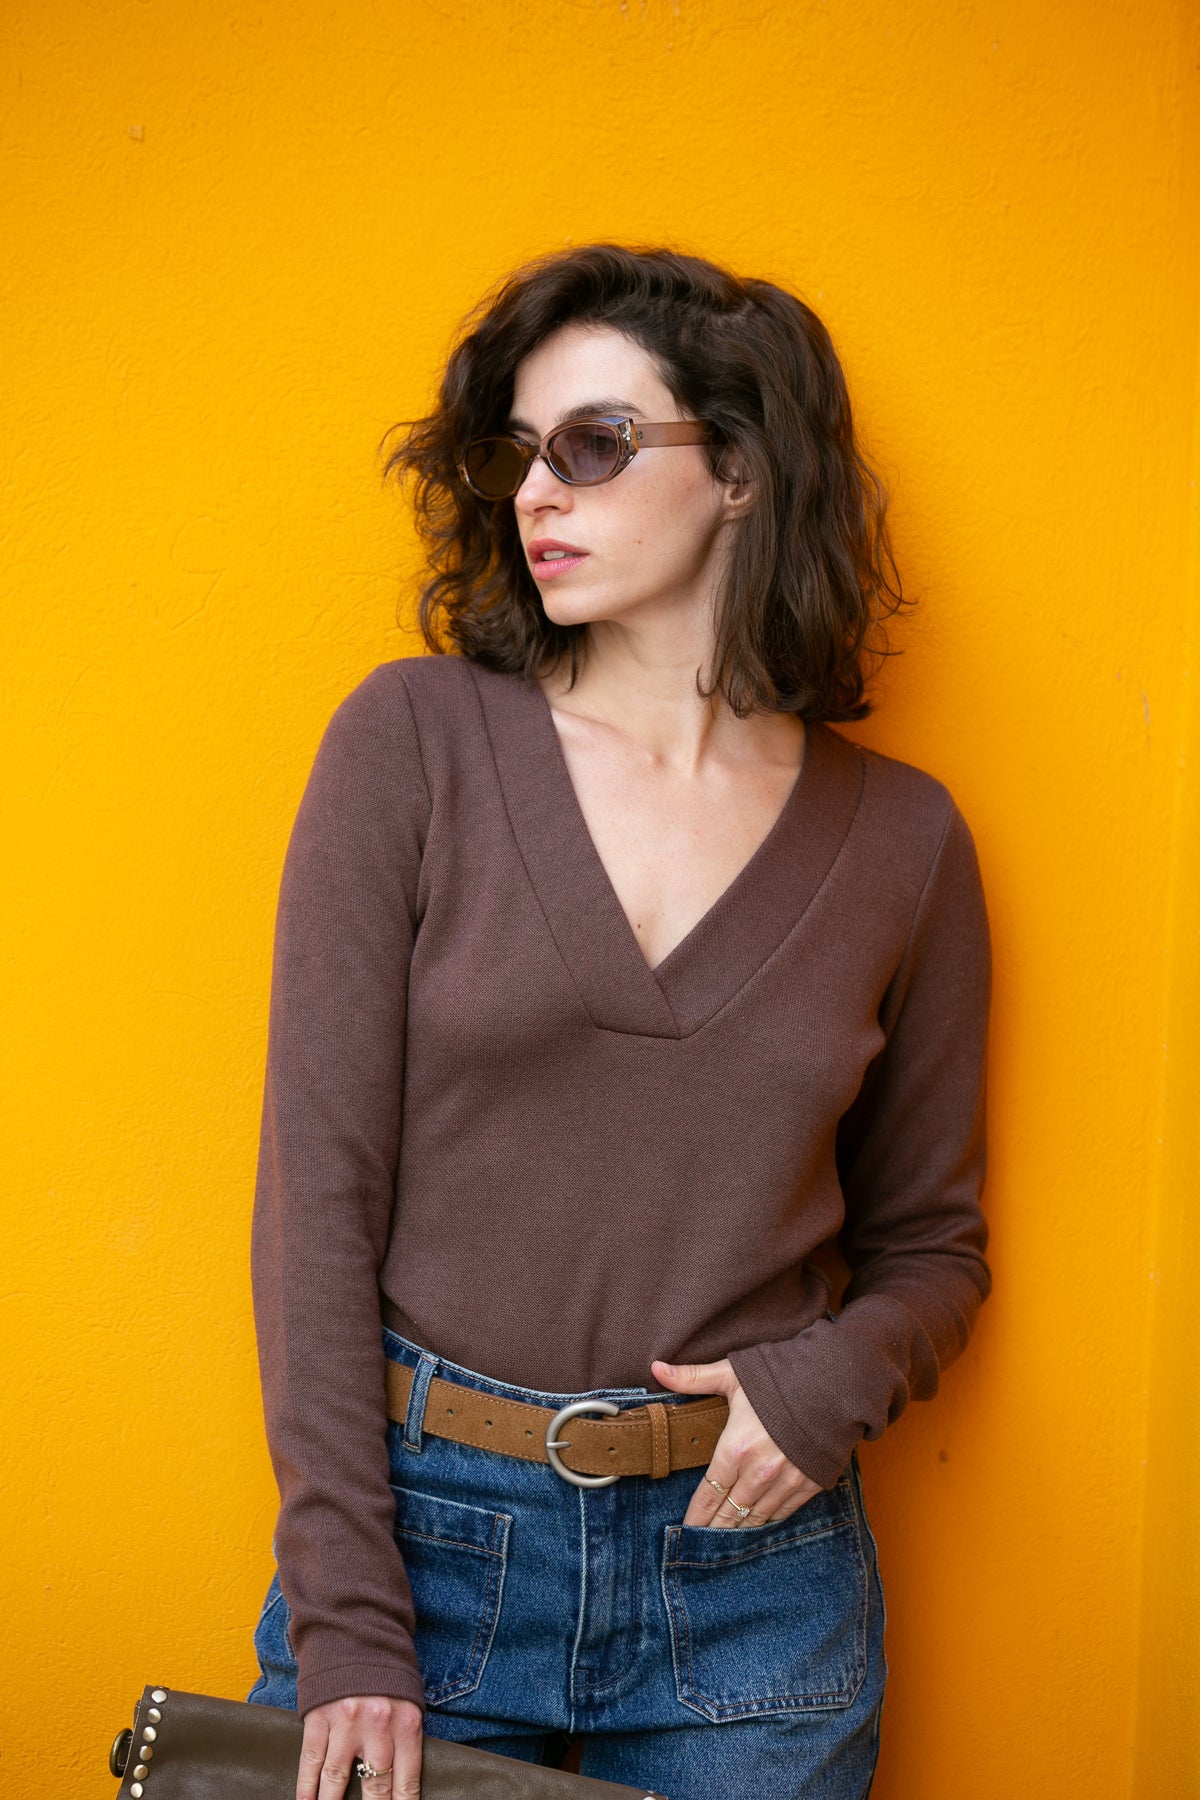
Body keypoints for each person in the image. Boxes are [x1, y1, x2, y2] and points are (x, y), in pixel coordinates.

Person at [247, 244, 991, 1800]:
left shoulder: (906, 845)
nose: (537, 492)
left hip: (754, 1577)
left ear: (740, 469)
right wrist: (351, 1617)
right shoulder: (415, 743)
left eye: (593, 444)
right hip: (426, 1547)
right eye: (517, 453)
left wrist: (827, 1387)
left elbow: (932, 1248)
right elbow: (316, 1208)